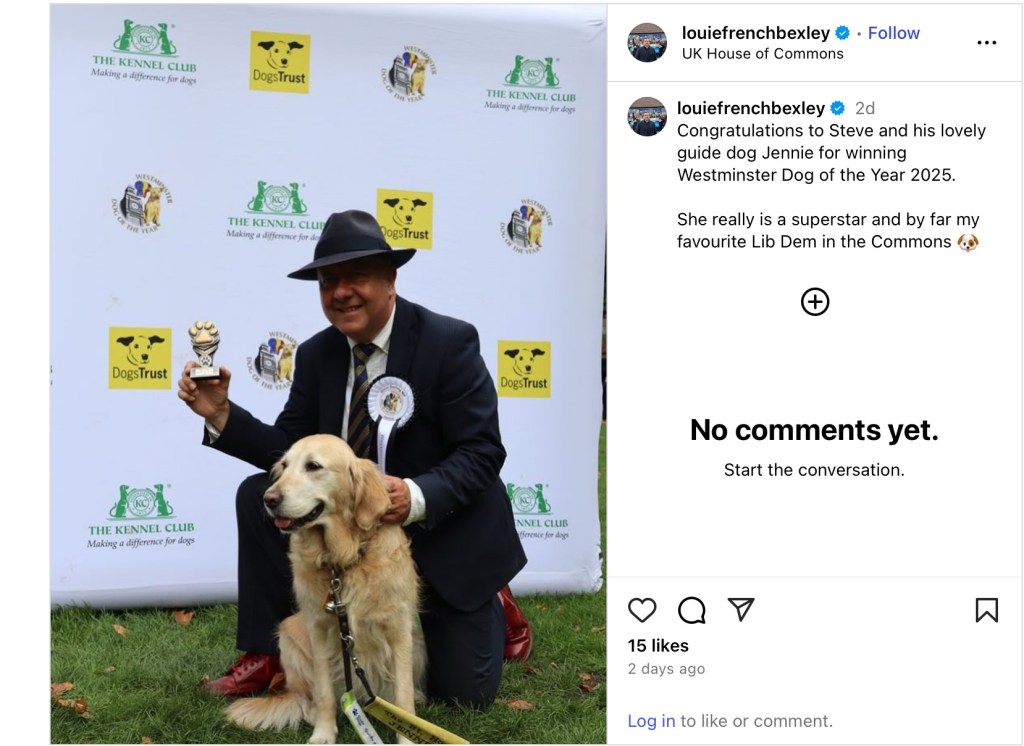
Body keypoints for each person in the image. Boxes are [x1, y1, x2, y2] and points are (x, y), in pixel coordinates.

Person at [178, 209, 530, 708]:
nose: (340, 292)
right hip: (357, 532)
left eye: (356, 277)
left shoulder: (449, 343)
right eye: (328, 281)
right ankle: (266, 651)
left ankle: (495, 601)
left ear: (390, 280)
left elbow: (482, 451)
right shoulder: (317, 354)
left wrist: (413, 496)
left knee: (461, 697)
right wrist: (222, 415)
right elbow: (289, 449)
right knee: (259, 495)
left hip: (441, 533)